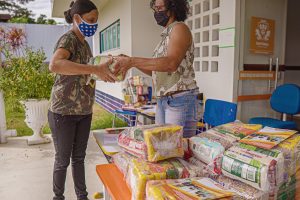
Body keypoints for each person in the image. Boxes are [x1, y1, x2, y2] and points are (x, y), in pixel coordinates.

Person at [48, 1, 116, 199]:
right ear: (77, 18)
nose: (94, 25)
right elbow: (55, 64)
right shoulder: (69, 39)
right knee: (63, 160)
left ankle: (82, 196)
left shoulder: (85, 44)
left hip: (83, 112)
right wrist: (94, 69)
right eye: (91, 20)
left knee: (78, 158)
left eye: (96, 21)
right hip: (64, 112)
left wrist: (105, 72)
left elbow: (84, 74)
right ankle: (58, 197)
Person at [114, 0, 200, 138]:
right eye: (155, 8)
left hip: (179, 99)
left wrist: (132, 61)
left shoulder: (179, 28)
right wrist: (133, 63)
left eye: (160, 8)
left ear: (173, 7)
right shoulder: (165, 35)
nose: (156, 12)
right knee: (163, 148)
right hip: (163, 101)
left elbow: (171, 63)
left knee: (175, 150)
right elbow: (157, 72)